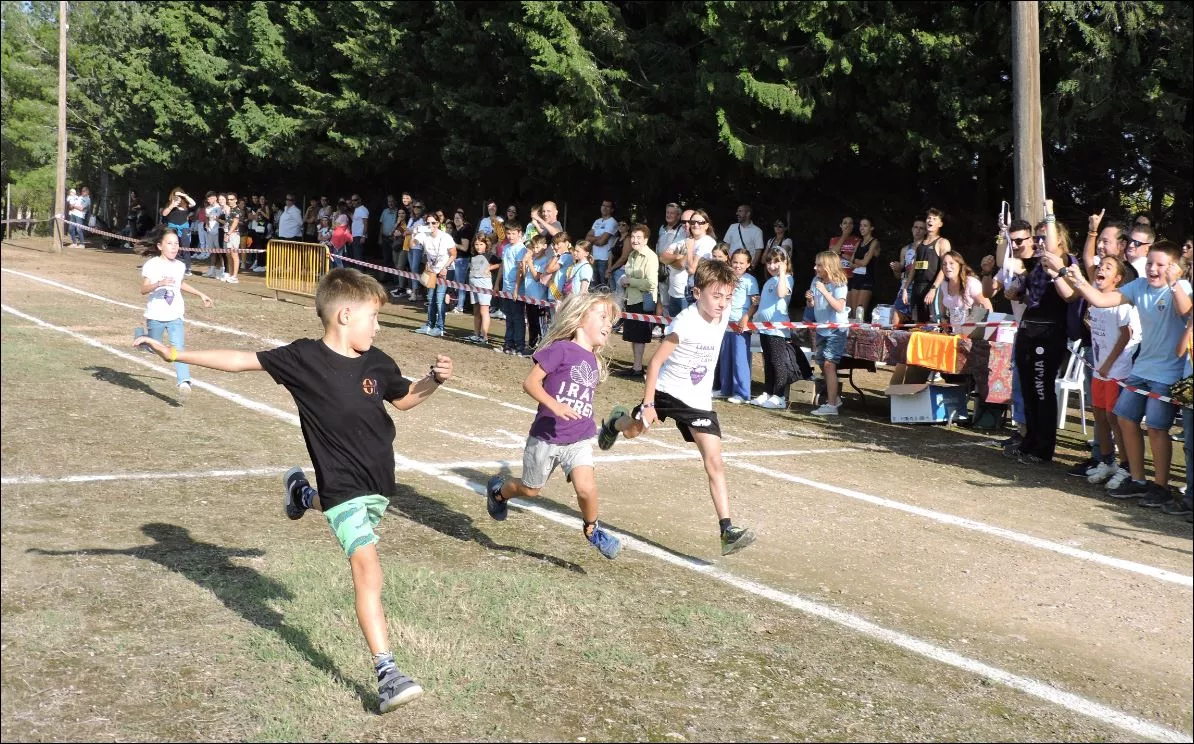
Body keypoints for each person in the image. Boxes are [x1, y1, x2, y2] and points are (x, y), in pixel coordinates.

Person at [134, 268, 450, 713]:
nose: (378, 327)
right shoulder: (303, 359)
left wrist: (432, 381)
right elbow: (242, 359)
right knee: (368, 570)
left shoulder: (377, 360)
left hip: (377, 484)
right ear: (344, 315)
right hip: (342, 485)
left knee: (351, 521)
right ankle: (388, 673)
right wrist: (176, 355)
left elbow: (404, 399)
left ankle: (302, 495)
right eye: (373, 317)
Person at [596, 259, 756, 556]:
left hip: (698, 402)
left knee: (715, 461)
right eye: (716, 296)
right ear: (697, 293)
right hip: (666, 392)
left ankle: (727, 531)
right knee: (634, 432)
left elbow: (739, 308)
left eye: (728, 297)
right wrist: (648, 403)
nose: (723, 304)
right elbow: (655, 362)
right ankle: (615, 421)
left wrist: (745, 309)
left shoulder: (723, 315)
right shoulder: (684, 321)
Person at [484, 292, 624, 559]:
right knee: (530, 489)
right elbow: (530, 383)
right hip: (547, 435)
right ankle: (498, 492)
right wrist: (555, 406)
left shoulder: (593, 360)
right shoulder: (560, 349)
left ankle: (592, 528)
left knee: (586, 488)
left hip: (579, 437)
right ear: (580, 319)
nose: (610, 324)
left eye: (612, 320)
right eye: (603, 317)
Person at [1053, 239, 1191, 505]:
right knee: (1124, 417)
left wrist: (1174, 283)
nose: (1152, 269)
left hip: (1168, 373)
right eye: (1150, 263)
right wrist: (1080, 280)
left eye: (1160, 265)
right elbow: (1103, 300)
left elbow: (1185, 310)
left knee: (1156, 427)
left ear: (1174, 267)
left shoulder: (1181, 287)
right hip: (1142, 368)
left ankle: (1160, 487)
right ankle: (1137, 480)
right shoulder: (1138, 286)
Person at [1080, 256, 1140, 485]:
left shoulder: (1121, 304)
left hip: (1117, 371)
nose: (1101, 270)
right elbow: (1092, 323)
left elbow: (1126, 335)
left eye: (1108, 267)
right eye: (1100, 266)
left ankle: (1126, 467)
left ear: (1118, 278)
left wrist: (1107, 364)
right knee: (1099, 416)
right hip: (1099, 369)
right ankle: (1107, 461)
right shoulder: (1095, 301)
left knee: (1113, 417)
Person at [136, 226, 215, 402]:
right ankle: (142, 338)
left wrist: (201, 294)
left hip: (175, 314)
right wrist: (159, 283)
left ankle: (184, 381)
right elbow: (143, 289)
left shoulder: (180, 266)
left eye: (176, 244)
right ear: (159, 246)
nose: (173, 247)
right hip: (155, 314)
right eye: (169, 243)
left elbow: (180, 284)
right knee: (152, 346)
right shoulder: (152, 264)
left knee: (177, 349)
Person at [751, 246, 800, 409]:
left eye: (776, 262)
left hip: (777, 329)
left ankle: (779, 396)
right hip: (765, 328)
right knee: (768, 361)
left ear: (785, 263)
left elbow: (781, 294)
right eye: (769, 262)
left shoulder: (787, 278)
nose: (772, 266)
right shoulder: (769, 282)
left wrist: (782, 272)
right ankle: (768, 392)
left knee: (778, 362)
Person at [806, 251, 849, 416]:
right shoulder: (816, 281)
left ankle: (831, 406)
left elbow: (839, 307)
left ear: (828, 267)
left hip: (836, 329)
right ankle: (835, 398)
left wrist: (824, 291)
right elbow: (813, 306)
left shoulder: (839, 283)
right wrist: (809, 299)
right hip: (821, 328)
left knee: (830, 364)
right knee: (822, 362)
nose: (815, 267)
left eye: (819, 265)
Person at [615, 224, 660, 377]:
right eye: (633, 237)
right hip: (631, 299)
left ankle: (638, 368)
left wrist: (630, 281)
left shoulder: (650, 257)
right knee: (633, 335)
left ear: (646, 240)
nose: (635, 240)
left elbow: (651, 283)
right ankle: (636, 366)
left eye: (639, 237)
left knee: (639, 336)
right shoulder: (632, 255)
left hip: (643, 301)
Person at [716, 248, 759, 403]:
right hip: (726, 323)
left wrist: (745, 318)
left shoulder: (750, 280)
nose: (738, 265)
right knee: (725, 356)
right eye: (735, 262)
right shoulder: (726, 278)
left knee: (740, 358)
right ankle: (725, 388)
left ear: (748, 264)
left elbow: (755, 303)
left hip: (741, 325)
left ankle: (742, 393)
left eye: (742, 263)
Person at [412, 210, 457, 337]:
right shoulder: (424, 235)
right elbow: (412, 244)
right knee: (431, 298)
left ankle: (440, 327)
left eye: (434, 223)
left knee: (439, 299)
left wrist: (445, 267)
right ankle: (429, 324)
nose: (431, 225)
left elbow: (454, 254)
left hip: (446, 269)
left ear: (439, 223)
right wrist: (415, 232)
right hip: (432, 271)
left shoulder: (446, 237)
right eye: (428, 223)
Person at [904, 208, 952, 322]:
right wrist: (906, 288)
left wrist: (933, 289)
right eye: (929, 218)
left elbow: (944, 268)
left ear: (940, 224)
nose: (930, 220)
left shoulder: (942, 242)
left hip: (932, 288)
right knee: (917, 324)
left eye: (934, 219)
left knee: (933, 324)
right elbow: (914, 268)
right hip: (917, 288)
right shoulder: (920, 244)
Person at [938, 251, 993, 328]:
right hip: (955, 331)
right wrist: (943, 318)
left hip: (973, 330)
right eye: (944, 264)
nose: (947, 267)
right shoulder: (943, 284)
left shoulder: (971, 282)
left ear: (960, 265)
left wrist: (988, 330)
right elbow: (941, 304)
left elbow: (987, 307)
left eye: (951, 263)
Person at [520, 233, 555, 352]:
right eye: (533, 247)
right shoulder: (533, 258)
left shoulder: (545, 260)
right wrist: (525, 264)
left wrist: (530, 263)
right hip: (529, 296)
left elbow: (537, 277)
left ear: (545, 246)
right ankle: (532, 345)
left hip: (539, 298)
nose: (535, 250)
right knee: (531, 322)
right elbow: (526, 276)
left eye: (537, 247)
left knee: (541, 324)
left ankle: (544, 348)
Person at [889, 218, 927, 326]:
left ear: (925, 231)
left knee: (917, 324)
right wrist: (896, 269)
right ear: (912, 229)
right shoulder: (905, 249)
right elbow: (899, 275)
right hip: (905, 288)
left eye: (921, 228)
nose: (918, 230)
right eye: (916, 227)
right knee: (895, 321)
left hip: (920, 288)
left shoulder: (927, 248)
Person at [466, 232, 502, 345]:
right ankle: (476, 334)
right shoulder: (472, 256)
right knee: (476, 310)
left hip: (484, 284)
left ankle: (484, 336)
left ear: (486, 244)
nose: (478, 247)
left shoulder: (490, 255)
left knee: (484, 310)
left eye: (481, 244)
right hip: (473, 284)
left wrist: (490, 267)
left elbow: (501, 263)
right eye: (476, 244)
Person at [498, 223, 528, 355]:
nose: (510, 236)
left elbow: (520, 271)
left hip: (516, 290)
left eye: (513, 233)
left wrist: (516, 288)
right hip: (505, 287)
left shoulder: (521, 249)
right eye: (508, 233)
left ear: (520, 234)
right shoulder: (506, 247)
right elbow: (502, 266)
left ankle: (519, 346)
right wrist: (497, 284)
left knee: (518, 318)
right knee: (508, 317)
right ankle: (508, 344)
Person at [846, 217, 881, 319]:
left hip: (867, 280)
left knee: (859, 314)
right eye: (861, 225)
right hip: (856, 278)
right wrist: (859, 262)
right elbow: (852, 262)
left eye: (865, 226)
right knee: (852, 313)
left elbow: (865, 262)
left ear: (871, 228)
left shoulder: (874, 242)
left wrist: (857, 261)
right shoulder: (859, 242)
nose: (862, 228)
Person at [160, 187, 197, 273]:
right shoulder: (169, 204)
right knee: (172, 247)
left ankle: (188, 268)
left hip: (184, 227)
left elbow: (193, 203)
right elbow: (164, 214)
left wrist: (183, 195)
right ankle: (171, 265)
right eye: (176, 196)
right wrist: (172, 205)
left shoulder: (186, 204)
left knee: (186, 248)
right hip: (172, 228)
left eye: (179, 196)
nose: (178, 198)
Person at [585, 199, 618, 286]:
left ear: (612, 210)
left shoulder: (612, 222)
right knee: (593, 287)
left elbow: (602, 242)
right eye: (603, 205)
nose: (605, 208)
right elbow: (587, 238)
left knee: (603, 288)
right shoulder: (597, 221)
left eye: (608, 206)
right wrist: (598, 238)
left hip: (605, 260)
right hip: (594, 258)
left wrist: (594, 239)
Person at [724, 204, 765, 272]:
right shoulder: (732, 227)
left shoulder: (757, 231)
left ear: (748, 214)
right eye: (737, 211)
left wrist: (752, 267)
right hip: (731, 266)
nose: (737, 213)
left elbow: (758, 251)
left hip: (746, 268)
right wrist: (726, 263)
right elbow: (726, 246)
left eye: (740, 211)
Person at [451, 209, 474, 314]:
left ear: (463, 220)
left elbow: (465, 247)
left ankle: (460, 306)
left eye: (458, 218)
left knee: (460, 284)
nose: (456, 220)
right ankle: (459, 304)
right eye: (455, 218)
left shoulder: (464, 231)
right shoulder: (456, 231)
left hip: (462, 259)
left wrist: (451, 244)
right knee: (457, 283)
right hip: (456, 259)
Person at [222, 194, 243, 284]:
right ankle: (231, 275)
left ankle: (235, 276)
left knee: (234, 255)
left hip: (233, 235)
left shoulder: (237, 210)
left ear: (236, 200)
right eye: (228, 199)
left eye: (232, 199)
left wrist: (228, 234)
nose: (230, 201)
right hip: (228, 233)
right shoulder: (230, 210)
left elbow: (235, 223)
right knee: (228, 255)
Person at [349, 194, 369, 261]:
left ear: (360, 200)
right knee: (357, 256)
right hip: (355, 236)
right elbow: (355, 221)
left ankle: (360, 271)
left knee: (359, 257)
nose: (353, 202)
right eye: (352, 200)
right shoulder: (356, 209)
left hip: (360, 236)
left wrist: (363, 236)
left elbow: (365, 223)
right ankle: (360, 270)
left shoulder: (363, 209)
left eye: (355, 200)